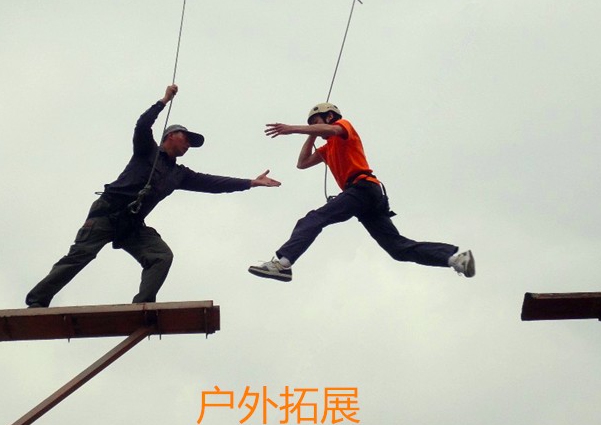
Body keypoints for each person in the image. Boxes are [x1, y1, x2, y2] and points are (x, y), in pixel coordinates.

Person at [26, 84, 281, 307]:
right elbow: (142, 125)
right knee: (79, 257)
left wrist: (250, 183)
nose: (188, 145)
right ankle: (38, 299)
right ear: (170, 136)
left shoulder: (178, 174)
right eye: (186, 139)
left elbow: (213, 183)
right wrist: (164, 100)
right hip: (106, 214)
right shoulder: (146, 150)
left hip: (132, 225)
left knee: (161, 256)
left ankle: (142, 306)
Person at [248, 102, 474, 282]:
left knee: (313, 219)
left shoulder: (343, 127)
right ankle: (455, 259)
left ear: (329, 116)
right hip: (367, 197)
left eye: (316, 122)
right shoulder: (327, 147)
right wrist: (311, 134)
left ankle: (283, 264)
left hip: (362, 188)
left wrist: (293, 129)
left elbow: (331, 129)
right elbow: (302, 163)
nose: (315, 127)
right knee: (397, 248)